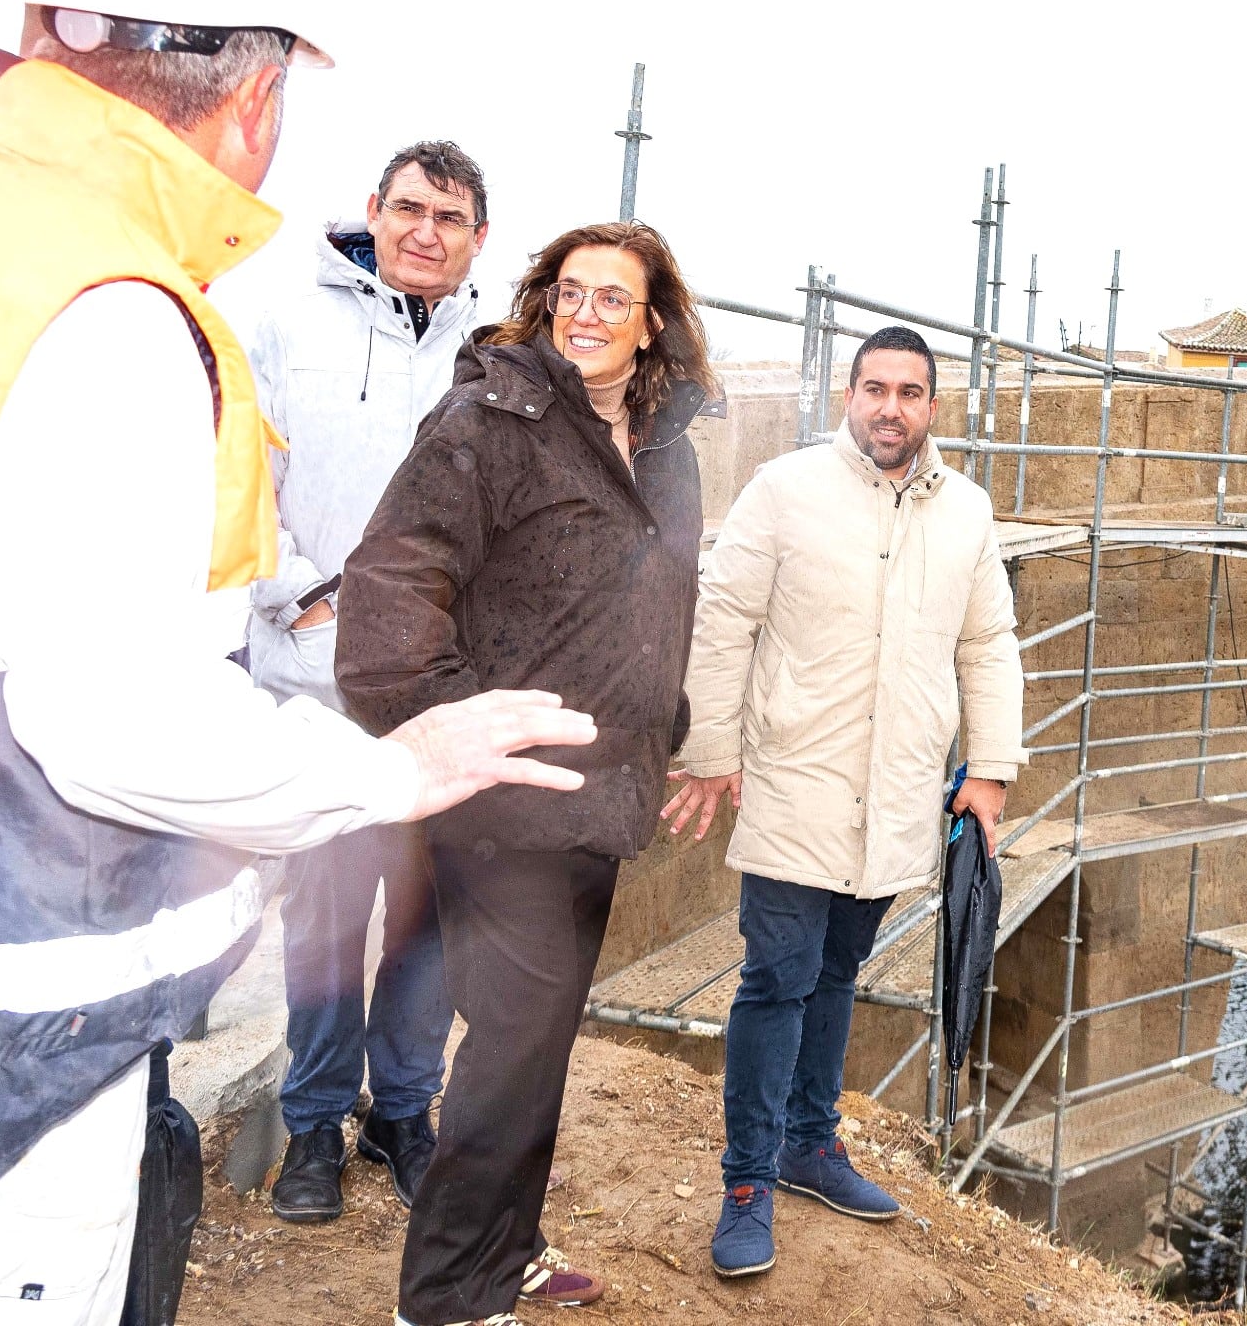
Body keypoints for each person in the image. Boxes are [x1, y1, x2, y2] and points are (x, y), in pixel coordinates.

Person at [0, 0, 594, 1326]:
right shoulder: (113, 307)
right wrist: (387, 769)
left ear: (48, 30)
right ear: (255, 98)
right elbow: (120, 721)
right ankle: (323, 1119)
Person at [336, 221, 714, 1326]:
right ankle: (448, 1300)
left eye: (613, 298)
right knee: (509, 1058)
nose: (586, 314)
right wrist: (458, 741)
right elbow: (387, 598)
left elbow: (662, 600)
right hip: (508, 806)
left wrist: (664, 725)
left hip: (602, 797)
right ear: (547, 302)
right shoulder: (490, 422)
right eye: (570, 292)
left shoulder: (667, 447)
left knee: (535, 1051)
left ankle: (508, 1251)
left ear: (652, 323)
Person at [664, 323, 1025, 1280]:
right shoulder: (784, 489)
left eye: (909, 392)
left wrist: (989, 769)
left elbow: (987, 643)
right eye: (875, 388)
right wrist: (712, 752)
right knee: (778, 977)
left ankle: (811, 1144)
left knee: (838, 971)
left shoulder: (967, 512)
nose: (890, 408)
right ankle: (749, 1182)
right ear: (848, 395)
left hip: (899, 789)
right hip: (797, 782)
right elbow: (723, 619)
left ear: (933, 406)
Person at [245, 140, 492, 1223]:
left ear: (478, 237)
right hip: (323, 683)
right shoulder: (286, 326)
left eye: (449, 217)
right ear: (373, 212)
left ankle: (401, 1110)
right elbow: (240, 483)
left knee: (428, 918)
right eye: (409, 209)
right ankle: (312, 1122)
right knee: (326, 913)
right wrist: (304, 599)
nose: (425, 232)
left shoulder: (495, 353)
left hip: (444, 688)